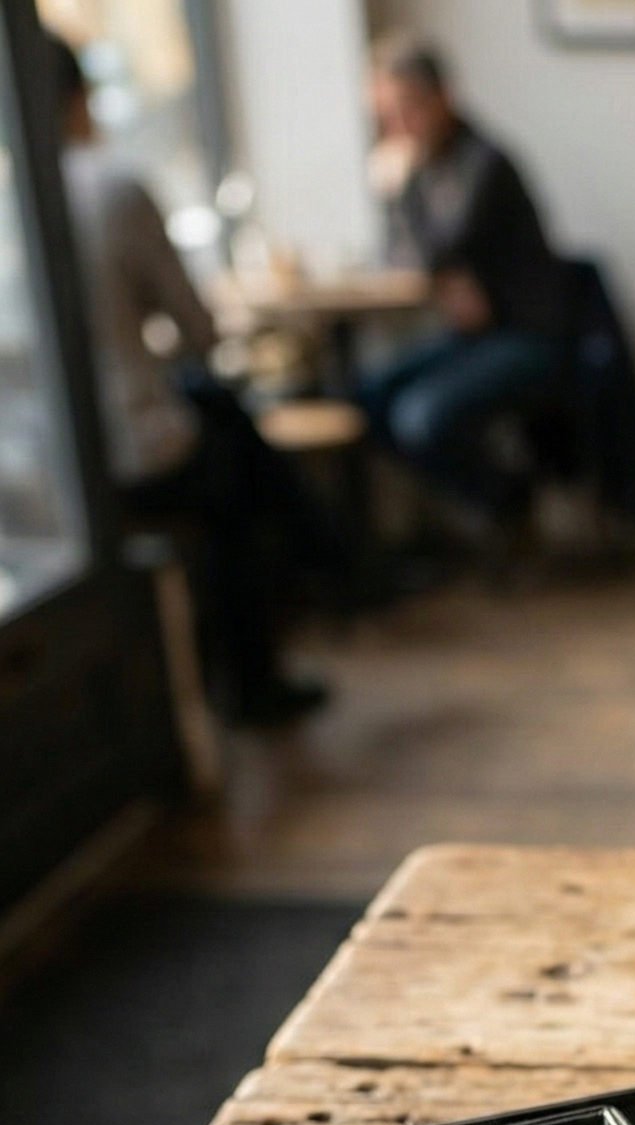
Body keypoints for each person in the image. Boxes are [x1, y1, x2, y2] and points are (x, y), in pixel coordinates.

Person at [50, 35, 328, 725]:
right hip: (130, 453)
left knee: (224, 429)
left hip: (41, 474)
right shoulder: (110, 188)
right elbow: (198, 332)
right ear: (82, 99)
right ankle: (264, 666)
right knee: (233, 481)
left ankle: (328, 559)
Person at [362, 38, 573, 525]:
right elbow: (399, 259)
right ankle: (484, 512)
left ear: (442, 97)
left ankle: (509, 503)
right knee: (368, 397)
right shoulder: (427, 169)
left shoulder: (484, 162)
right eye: (387, 116)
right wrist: (444, 277)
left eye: (406, 109)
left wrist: (397, 193)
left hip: (528, 335)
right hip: (472, 334)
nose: (398, 128)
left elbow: (438, 250)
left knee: (421, 417)